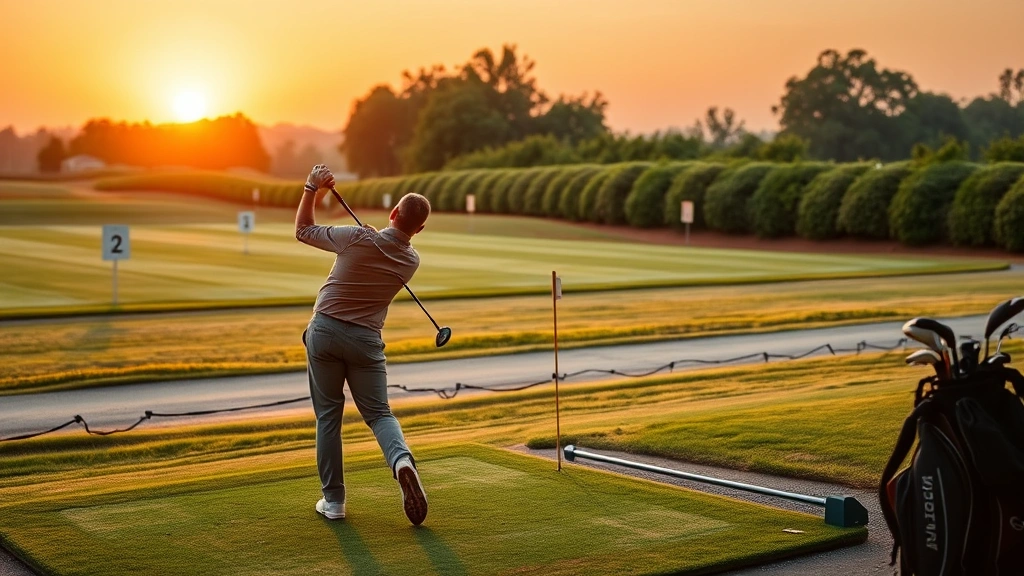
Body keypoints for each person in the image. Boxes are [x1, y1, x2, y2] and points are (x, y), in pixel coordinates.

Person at [295, 164, 430, 525]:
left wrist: (312, 188)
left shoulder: (356, 237)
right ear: (419, 228)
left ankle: (334, 502)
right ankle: (402, 461)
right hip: (366, 342)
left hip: (324, 333)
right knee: (380, 414)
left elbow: (304, 231)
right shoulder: (411, 260)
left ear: (393, 213)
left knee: (328, 418)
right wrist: (373, 235)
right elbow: (390, 244)